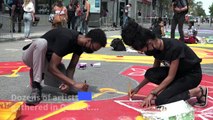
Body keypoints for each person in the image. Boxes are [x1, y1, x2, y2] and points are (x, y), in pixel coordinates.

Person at [121, 20, 208, 108]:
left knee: (161, 100)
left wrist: (153, 93)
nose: (143, 52)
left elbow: (171, 76)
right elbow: (155, 71)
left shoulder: (174, 47)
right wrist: (138, 87)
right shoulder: (153, 49)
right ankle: (173, 90)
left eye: (143, 50)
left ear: (150, 42)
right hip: (179, 73)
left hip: (191, 75)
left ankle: (198, 91)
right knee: (150, 74)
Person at [22, 28, 107, 106]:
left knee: (71, 88)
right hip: (31, 56)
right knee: (41, 42)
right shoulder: (66, 37)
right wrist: (74, 83)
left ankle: (39, 72)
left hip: (46, 62)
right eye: (93, 49)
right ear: (89, 40)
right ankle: (36, 86)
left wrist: (69, 85)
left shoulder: (80, 46)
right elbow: (52, 68)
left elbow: (71, 67)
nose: (92, 51)